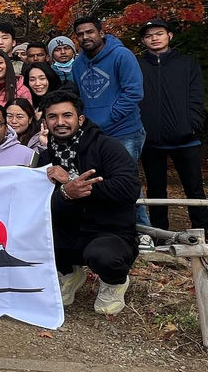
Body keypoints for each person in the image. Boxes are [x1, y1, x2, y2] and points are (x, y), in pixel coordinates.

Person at [39, 91, 140, 315]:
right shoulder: (46, 158)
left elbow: (128, 189)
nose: (60, 122)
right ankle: (69, 273)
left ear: (80, 119)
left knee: (102, 255)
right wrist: (65, 193)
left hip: (110, 232)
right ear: (45, 122)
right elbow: (42, 204)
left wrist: (77, 185)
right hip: (69, 230)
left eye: (67, 115)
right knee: (31, 235)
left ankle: (114, 282)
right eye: (53, 117)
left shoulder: (107, 147)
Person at [72, 15, 151, 248]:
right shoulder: (78, 64)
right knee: (98, 180)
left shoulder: (121, 56)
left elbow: (134, 92)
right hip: (94, 134)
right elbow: (80, 97)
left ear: (101, 33)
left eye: (90, 32)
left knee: (126, 180)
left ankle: (143, 230)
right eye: (80, 34)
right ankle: (111, 229)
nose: (85, 37)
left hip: (125, 130)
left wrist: (108, 117)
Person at [137, 19, 208, 237]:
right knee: (156, 190)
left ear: (170, 36)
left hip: (185, 138)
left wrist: (192, 125)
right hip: (150, 140)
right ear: (143, 41)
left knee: (194, 189)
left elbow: (196, 97)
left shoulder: (186, 63)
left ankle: (201, 233)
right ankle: (160, 235)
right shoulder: (138, 65)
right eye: (149, 36)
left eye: (159, 33)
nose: (154, 38)